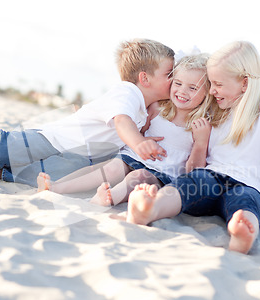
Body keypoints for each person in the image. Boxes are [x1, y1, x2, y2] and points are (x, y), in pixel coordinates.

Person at [126, 41, 260, 254]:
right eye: (211, 83)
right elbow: (194, 166)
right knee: (190, 184)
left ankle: (243, 233)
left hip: (248, 184)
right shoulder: (215, 106)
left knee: (245, 204)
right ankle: (150, 208)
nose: (212, 90)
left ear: (244, 84)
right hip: (210, 176)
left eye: (218, 84)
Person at [0, 39, 174, 187]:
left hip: (80, 158)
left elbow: (130, 128)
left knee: (54, 177)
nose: (174, 80)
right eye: (169, 74)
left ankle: (3, 174)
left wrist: (144, 135)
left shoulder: (144, 107)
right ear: (144, 79)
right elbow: (121, 121)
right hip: (53, 139)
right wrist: (139, 143)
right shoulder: (127, 92)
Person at [37, 54, 214, 206]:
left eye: (192, 88)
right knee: (112, 168)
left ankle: (108, 198)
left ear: (206, 93)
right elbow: (140, 131)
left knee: (139, 176)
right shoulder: (158, 108)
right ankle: (56, 187)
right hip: (135, 157)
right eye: (178, 83)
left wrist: (201, 142)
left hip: (164, 173)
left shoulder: (200, 125)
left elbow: (194, 171)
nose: (182, 91)